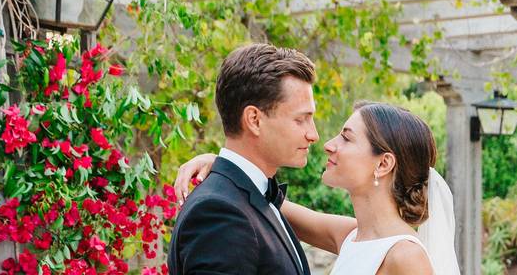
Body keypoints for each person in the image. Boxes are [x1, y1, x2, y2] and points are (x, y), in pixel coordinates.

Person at [175, 101, 461, 275]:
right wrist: (224, 163)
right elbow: (260, 201)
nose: (328, 144)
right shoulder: (351, 236)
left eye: (347, 138)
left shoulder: (405, 257)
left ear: (383, 163)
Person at [167, 43, 319, 275]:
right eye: (301, 119)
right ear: (254, 120)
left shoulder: (253, 198)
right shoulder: (218, 212)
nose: (313, 135)